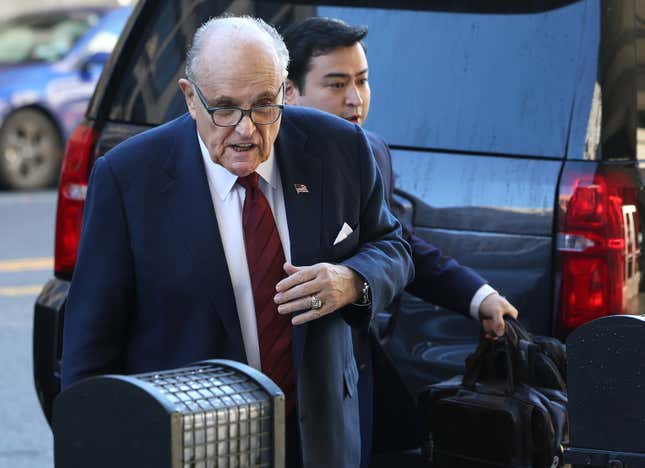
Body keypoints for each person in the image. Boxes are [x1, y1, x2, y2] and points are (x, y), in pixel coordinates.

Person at [60, 16, 414, 468]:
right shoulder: (129, 178)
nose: (246, 130)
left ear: (285, 90)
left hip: (319, 438)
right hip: (192, 445)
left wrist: (352, 280)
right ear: (190, 98)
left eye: (264, 105)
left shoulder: (339, 148)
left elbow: (394, 245)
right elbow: (90, 352)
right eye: (225, 109)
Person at [282, 17, 519, 466]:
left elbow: (397, 243)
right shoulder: (255, 160)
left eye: (363, 81)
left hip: (353, 377)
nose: (355, 99)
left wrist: (478, 296)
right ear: (289, 92)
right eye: (336, 84)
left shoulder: (368, 151)